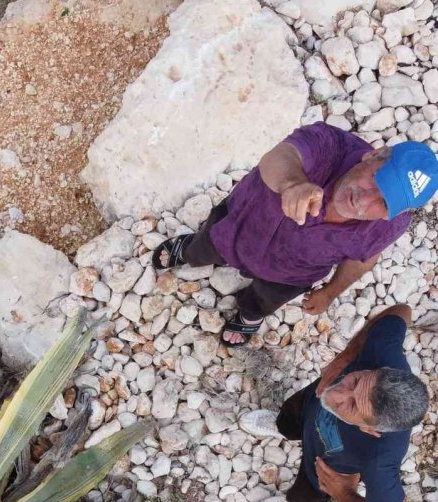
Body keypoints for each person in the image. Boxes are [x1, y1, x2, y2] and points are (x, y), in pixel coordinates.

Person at [152, 123, 438, 345]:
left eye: (384, 203)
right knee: (204, 247)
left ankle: (249, 315)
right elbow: (281, 155)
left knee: (266, 300)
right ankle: (188, 250)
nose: (364, 202)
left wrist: (331, 292)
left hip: (291, 274)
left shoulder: (391, 224)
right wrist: (293, 183)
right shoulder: (330, 144)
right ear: (373, 155)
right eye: (376, 180)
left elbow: (365, 257)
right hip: (237, 226)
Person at [240, 304, 428, 502]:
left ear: (371, 429)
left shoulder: (380, 460)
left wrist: (345, 496)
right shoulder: (382, 350)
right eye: (355, 381)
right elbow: (401, 311)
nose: (337, 393)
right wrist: (346, 356)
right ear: (377, 370)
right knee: (294, 411)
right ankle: (283, 427)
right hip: (310, 404)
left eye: (353, 406)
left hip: (326, 463)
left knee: (310, 492)